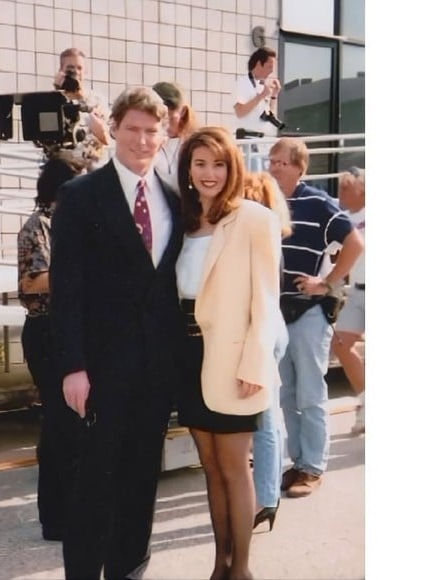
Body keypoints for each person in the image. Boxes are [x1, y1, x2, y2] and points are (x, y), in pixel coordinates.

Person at [49, 86, 184, 579]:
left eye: (153, 131)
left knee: (142, 483)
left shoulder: (174, 198)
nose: (142, 141)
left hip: (154, 371)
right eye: (133, 129)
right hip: (99, 371)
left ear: (164, 134)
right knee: (94, 487)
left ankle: (130, 571)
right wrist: (72, 366)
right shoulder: (80, 196)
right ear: (114, 130)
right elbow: (67, 290)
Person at [175, 127, 283, 580]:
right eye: (199, 164)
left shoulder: (255, 219)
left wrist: (256, 362)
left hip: (235, 357)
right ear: (188, 169)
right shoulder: (178, 221)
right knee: (210, 468)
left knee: (236, 468)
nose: (209, 173)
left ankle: (241, 570)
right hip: (186, 355)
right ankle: (219, 564)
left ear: (232, 167)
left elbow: (266, 299)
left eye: (218, 164)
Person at [267, 137, 364, 499]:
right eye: (272, 161)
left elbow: (355, 244)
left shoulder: (317, 202)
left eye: (281, 162)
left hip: (308, 313)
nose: (274, 167)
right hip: (276, 312)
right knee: (287, 392)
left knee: (310, 392)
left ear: (299, 167)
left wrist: (326, 283)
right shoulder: (266, 202)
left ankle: (313, 467)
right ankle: (298, 463)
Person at [17, 156, 83, 542]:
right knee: (58, 424)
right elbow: (33, 282)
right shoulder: (38, 225)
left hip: (66, 329)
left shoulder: (68, 224)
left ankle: (68, 508)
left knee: (71, 424)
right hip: (45, 330)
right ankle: (55, 518)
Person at [241, 172, 291, 531]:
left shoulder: (256, 236)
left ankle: (265, 499)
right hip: (275, 325)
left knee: (264, 419)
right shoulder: (271, 234)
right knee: (269, 413)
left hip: (263, 327)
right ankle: (267, 496)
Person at [330, 167, 366, 435]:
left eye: (345, 188)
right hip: (356, 291)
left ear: (362, 190)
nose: (340, 193)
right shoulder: (342, 219)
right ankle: (366, 400)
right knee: (340, 344)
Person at [44, 47, 111, 172]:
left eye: (79, 68)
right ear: (61, 71)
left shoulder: (97, 100)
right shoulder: (52, 100)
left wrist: (81, 98)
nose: (75, 72)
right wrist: (59, 92)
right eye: (70, 69)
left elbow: (106, 135)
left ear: (85, 72)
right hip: (61, 167)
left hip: (92, 167)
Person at [231, 47, 282, 172]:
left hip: (261, 142)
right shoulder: (242, 83)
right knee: (253, 181)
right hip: (247, 141)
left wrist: (274, 95)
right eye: (269, 67)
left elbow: (268, 116)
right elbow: (240, 112)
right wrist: (261, 96)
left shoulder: (261, 85)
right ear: (259, 63)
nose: (271, 71)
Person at [152, 81, 199, 192]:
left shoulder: (194, 143)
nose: (165, 116)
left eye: (170, 109)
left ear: (182, 111)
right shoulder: (146, 142)